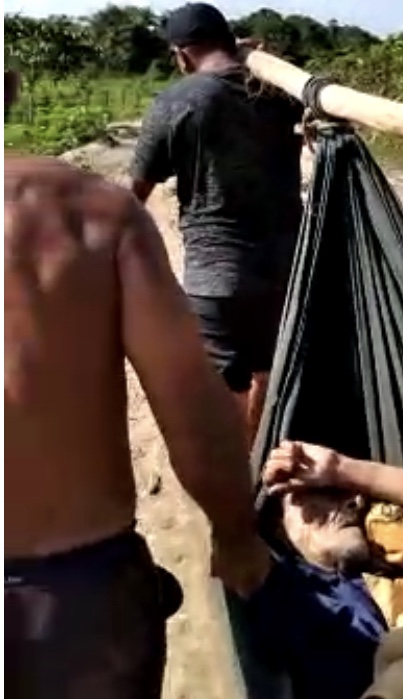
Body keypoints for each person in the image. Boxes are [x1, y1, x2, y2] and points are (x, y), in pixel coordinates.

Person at [5, 69, 270, 699]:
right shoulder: (90, 213)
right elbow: (192, 405)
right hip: (72, 602)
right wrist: (235, 535)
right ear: (11, 88)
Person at [129, 3, 304, 451]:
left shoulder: (179, 100)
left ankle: (238, 472)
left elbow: (135, 193)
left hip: (218, 272)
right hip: (289, 263)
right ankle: (263, 458)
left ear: (182, 54)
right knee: (267, 364)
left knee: (225, 378)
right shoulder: (279, 93)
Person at [245, 440, 403, 699]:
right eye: (315, 493)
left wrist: (340, 468)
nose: (352, 502)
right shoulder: (284, 593)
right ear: (281, 530)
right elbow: (224, 545)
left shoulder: (398, 573)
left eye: (341, 492)